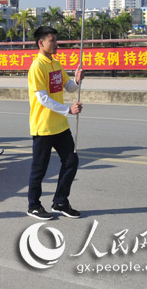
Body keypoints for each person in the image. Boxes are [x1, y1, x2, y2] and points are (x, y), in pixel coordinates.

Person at [26, 26, 84, 220]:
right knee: (39, 169)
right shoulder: (37, 67)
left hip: (60, 126)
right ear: (41, 43)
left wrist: (76, 80)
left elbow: (68, 87)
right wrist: (68, 110)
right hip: (43, 127)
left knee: (71, 161)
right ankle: (33, 205)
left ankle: (60, 202)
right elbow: (42, 98)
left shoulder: (56, 64)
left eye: (56, 40)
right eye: (52, 40)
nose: (56, 43)